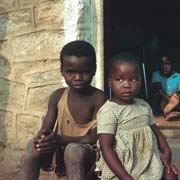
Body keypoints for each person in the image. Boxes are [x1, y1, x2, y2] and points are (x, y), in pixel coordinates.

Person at [22, 40, 107, 180]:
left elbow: (95, 137)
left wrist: (61, 139)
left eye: (84, 72)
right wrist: (42, 138)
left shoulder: (99, 98)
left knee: (73, 150)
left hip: (88, 155)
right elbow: (46, 129)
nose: (77, 78)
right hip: (60, 150)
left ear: (94, 69)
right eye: (70, 72)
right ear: (62, 71)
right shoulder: (58, 96)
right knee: (32, 145)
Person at [96, 52, 178, 180]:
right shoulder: (109, 111)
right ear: (110, 82)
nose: (127, 85)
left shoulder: (143, 106)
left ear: (141, 81)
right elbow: (106, 148)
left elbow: (157, 134)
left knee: (171, 175)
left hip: (146, 163)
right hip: (120, 168)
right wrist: (125, 177)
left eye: (133, 79)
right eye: (120, 79)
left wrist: (167, 152)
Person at [151, 53, 180, 119]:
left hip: (175, 102)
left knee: (176, 97)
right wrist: (168, 99)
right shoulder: (156, 74)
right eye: (163, 64)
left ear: (172, 65)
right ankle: (167, 112)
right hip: (162, 100)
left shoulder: (178, 76)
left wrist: (174, 98)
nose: (165, 67)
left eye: (168, 64)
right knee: (158, 95)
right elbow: (157, 87)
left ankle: (169, 113)